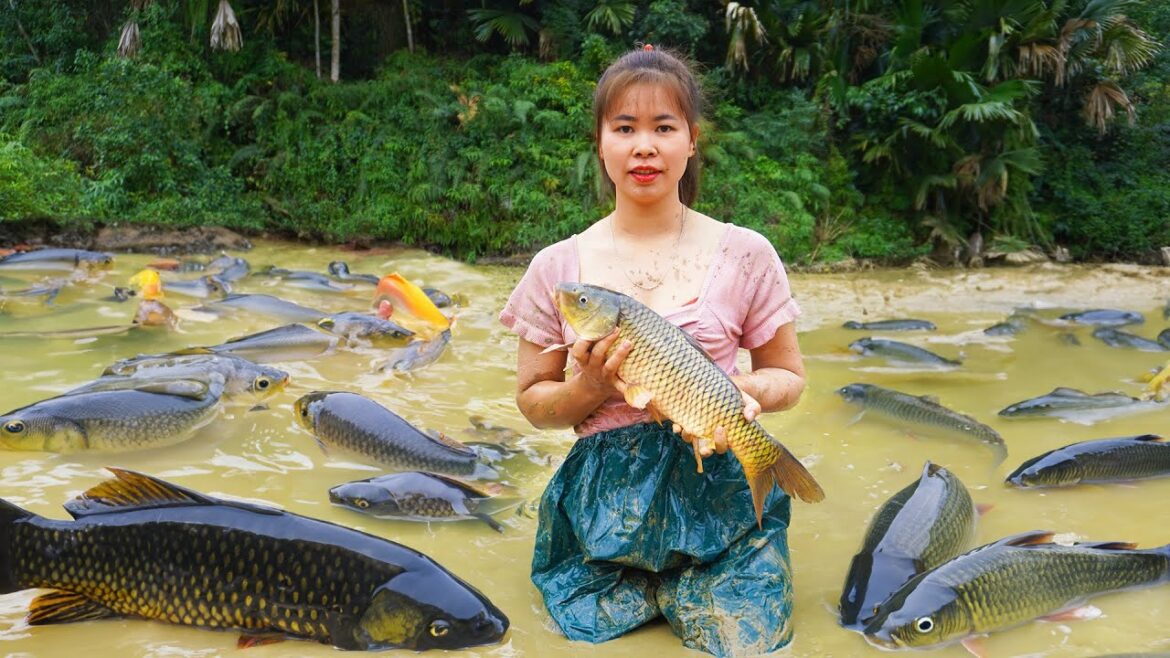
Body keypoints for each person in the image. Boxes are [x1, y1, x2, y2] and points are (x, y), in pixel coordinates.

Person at [498, 44, 806, 657]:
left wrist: (744, 394)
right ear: (601, 143)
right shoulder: (557, 269)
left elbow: (789, 378)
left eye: (664, 127)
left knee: (749, 643)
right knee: (584, 639)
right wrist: (590, 390)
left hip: (717, 494)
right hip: (599, 508)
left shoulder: (746, 254)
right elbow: (534, 403)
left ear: (691, 141)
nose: (645, 146)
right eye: (625, 128)